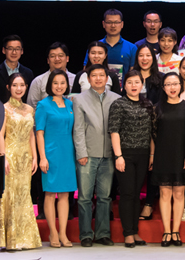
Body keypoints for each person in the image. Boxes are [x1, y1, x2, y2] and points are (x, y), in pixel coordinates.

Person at [72, 63, 121, 247]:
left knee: (105, 197)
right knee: (84, 197)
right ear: (88, 79)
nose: (98, 78)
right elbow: (78, 129)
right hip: (88, 155)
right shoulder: (79, 99)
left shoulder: (117, 99)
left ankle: (102, 234)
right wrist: (81, 153)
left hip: (108, 155)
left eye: (102, 75)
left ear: (107, 78)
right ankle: (85, 234)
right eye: (94, 75)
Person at [0, 73, 42, 251]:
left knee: (24, 195)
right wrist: (3, 157)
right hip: (11, 155)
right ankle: (10, 240)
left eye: (21, 85)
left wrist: (35, 156)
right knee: (10, 195)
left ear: (26, 87)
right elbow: (0, 135)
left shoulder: (29, 109)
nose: (19, 88)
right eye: (15, 85)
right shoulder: (4, 108)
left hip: (25, 157)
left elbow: (31, 135)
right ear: (9, 88)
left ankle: (25, 239)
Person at [109, 74, 155, 248]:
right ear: (124, 85)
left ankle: (135, 231)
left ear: (142, 84)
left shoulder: (147, 104)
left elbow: (151, 132)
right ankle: (127, 233)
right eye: (130, 82)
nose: (133, 85)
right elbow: (114, 131)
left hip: (143, 154)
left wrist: (151, 155)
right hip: (125, 154)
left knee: (136, 194)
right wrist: (118, 156)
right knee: (127, 194)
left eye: (137, 82)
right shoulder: (118, 104)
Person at [35, 72, 77, 247]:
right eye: (55, 83)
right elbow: (39, 133)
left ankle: (63, 233)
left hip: (68, 154)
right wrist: (42, 157)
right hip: (51, 154)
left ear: (67, 85)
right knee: (51, 193)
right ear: (50, 85)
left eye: (62, 83)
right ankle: (53, 232)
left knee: (65, 194)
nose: (59, 86)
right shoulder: (43, 105)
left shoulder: (70, 104)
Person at [152, 72, 185, 247]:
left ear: (180, 86)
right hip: (162, 155)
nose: (172, 87)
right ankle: (166, 231)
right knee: (165, 193)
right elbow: (152, 135)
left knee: (179, 193)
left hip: (181, 155)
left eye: (175, 84)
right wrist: (152, 156)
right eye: (168, 84)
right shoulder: (157, 108)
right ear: (163, 88)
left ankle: (176, 231)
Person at [0, 35, 34, 104]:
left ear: (22, 51)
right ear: (4, 50)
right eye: (10, 49)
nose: (14, 52)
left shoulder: (28, 73)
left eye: (17, 49)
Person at [94, 9, 139, 80]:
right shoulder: (95, 47)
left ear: (122, 24)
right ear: (103, 24)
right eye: (109, 22)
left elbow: (134, 74)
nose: (113, 25)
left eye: (116, 22)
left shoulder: (132, 48)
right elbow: (87, 70)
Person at [28, 42, 76, 106]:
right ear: (48, 60)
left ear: (67, 58)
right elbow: (31, 107)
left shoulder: (76, 79)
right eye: (53, 56)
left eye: (60, 55)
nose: (57, 59)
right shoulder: (38, 81)